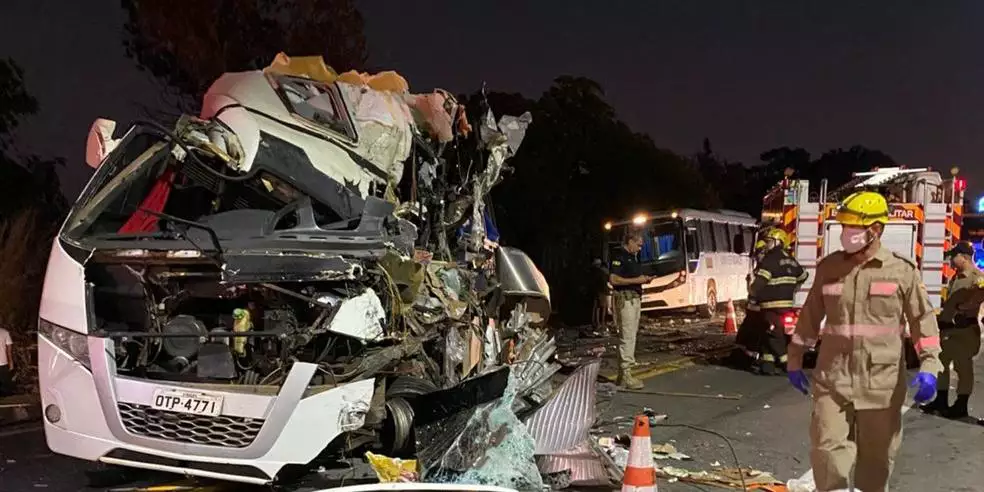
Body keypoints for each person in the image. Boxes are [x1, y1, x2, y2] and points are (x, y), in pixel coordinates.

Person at [786, 190, 942, 492]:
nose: (847, 233)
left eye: (854, 227)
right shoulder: (829, 268)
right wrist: (794, 358)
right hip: (833, 379)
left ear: (876, 229)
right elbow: (810, 316)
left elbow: (923, 321)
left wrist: (930, 367)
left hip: (881, 385)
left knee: (876, 463)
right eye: (844, 226)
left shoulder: (901, 270)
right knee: (826, 452)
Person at [921, 240, 984, 418]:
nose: (950, 261)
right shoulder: (956, 277)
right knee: (941, 365)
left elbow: (980, 293)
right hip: (948, 331)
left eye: (953, 257)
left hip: (963, 331)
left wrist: (964, 308)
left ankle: (961, 404)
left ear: (963, 257)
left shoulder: (976, 277)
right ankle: (941, 400)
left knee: (962, 368)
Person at [745, 228, 808, 375]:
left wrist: (752, 292)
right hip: (786, 304)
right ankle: (768, 366)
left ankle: (787, 363)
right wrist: (793, 286)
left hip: (770, 304)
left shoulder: (770, 259)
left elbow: (760, 283)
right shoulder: (791, 259)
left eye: (769, 242)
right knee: (769, 332)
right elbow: (803, 276)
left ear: (778, 242)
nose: (767, 245)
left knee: (773, 334)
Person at [609, 232, 654, 390]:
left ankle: (623, 375)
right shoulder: (619, 256)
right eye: (638, 244)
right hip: (625, 299)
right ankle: (627, 373)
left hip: (634, 298)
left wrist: (644, 279)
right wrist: (638, 280)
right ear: (630, 242)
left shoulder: (633, 258)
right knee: (627, 336)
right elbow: (614, 279)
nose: (640, 248)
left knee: (631, 335)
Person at [590, 258, 613, 334]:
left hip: (596, 292)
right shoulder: (601, 273)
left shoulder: (593, 273)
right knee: (603, 307)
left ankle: (596, 322)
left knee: (596, 308)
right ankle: (601, 323)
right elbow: (604, 283)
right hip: (602, 292)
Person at [0, 326, 13, 397]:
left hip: (3, 363)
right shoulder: (5, 332)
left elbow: (9, 351)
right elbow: (9, 351)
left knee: (5, 385)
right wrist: (11, 362)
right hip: (3, 363)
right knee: (5, 386)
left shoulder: (5, 332)